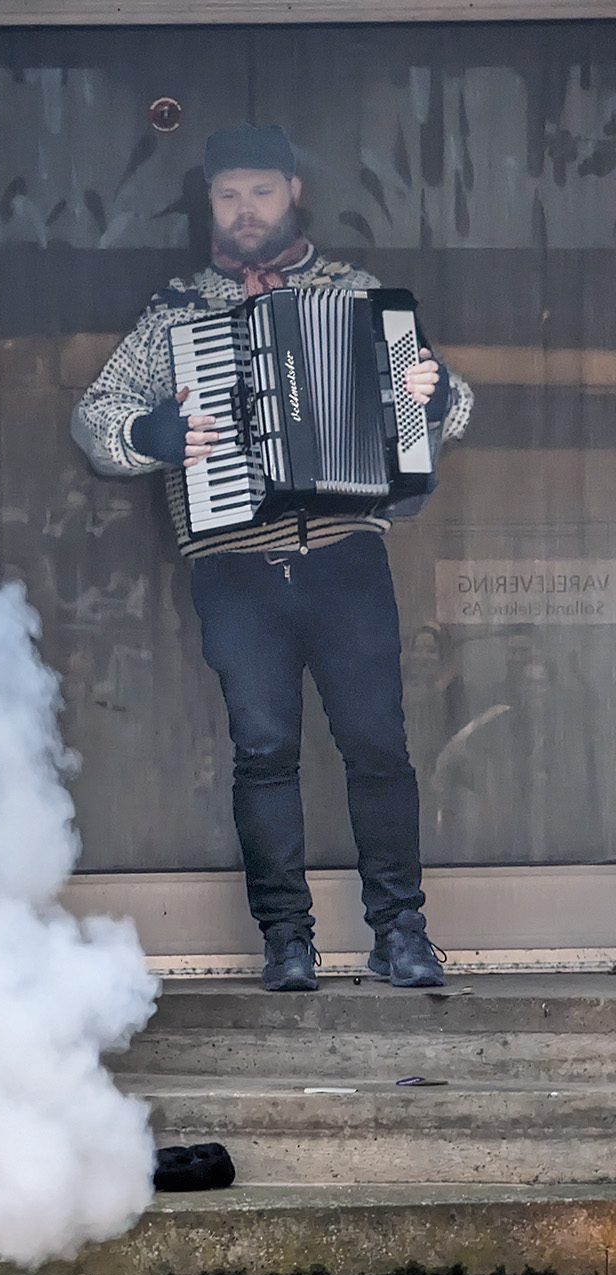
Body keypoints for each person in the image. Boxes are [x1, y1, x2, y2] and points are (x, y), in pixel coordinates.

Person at [72, 123, 474, 992]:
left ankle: (401, 931)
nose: (244, 209)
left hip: (345, 554)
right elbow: (96, 419)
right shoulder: (175, 311)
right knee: (262, 752)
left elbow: (455, 403)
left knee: (378, 748)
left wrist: (431, 396)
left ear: (293, 192)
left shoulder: (361, 295)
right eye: (228, 194)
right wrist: (155, 433)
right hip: (235, 568)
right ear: (209, 206)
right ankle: (286, 938)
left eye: (260, 191)